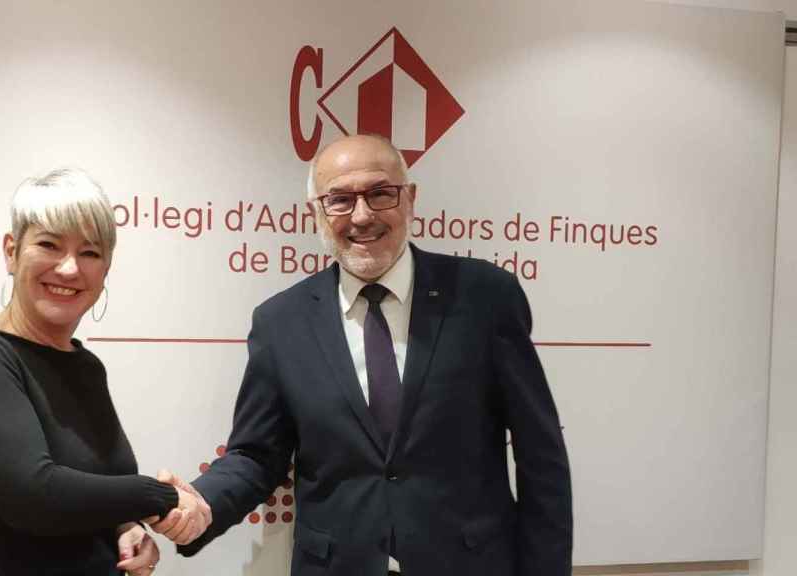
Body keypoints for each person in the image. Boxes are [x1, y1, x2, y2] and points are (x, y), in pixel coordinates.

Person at [152, 135, 572, 575]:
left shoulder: (486, 298)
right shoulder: (281, 321)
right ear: (317, 211)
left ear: (410, 199)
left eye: (380, 193)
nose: (362, 215)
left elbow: (540, 454)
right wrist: (203, 502)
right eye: (340, 200)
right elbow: (257, 454)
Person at [0, 168, 208, 576]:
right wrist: (159, 497)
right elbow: (33, 497)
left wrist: (127, 529)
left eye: (90, 253)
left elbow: (95, 492)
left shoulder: (85, 365)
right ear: (11, 251)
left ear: (106, 269)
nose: (68, 269)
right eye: (48, 245)